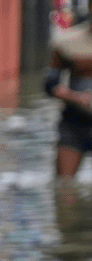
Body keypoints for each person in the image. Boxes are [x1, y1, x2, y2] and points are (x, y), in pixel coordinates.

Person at [46, 9, 92, 177]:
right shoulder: (68, 41)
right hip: (74, 125)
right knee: (65, 190)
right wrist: (77, 98)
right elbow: (50, 85)